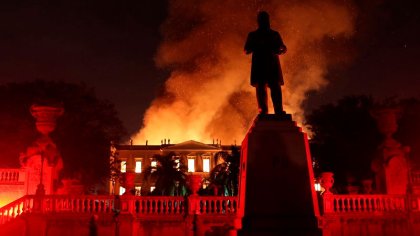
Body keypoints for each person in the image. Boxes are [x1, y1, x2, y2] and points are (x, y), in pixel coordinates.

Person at [244, 11, 287, 115]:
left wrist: (282, 49)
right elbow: (246, 50)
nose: (264, 21)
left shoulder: (274, 34)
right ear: (259, 21)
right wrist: (258, 45)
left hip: (272, 64)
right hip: (260, 65)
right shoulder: (253, 35)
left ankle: (278, 110)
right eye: (262, 19)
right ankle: (263, 111)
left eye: (265, 19)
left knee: (275, 87)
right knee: (261, 88)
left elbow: (282, 47)